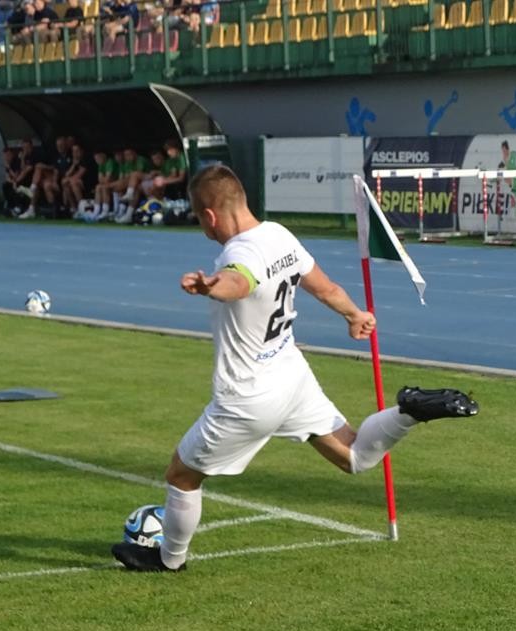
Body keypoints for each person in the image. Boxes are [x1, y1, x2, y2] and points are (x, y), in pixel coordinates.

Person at [110, 165, 478, 573]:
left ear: (210, 216)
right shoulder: (279, 235)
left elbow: (240, 281)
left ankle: (169, 560)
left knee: (181, 475)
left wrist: (212, 286)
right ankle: (409, 411)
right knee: (354, 455)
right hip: (292, 377)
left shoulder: (239, 252)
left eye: (200, 219)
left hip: (248, 397)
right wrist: (354, 314)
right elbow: (327, 288)